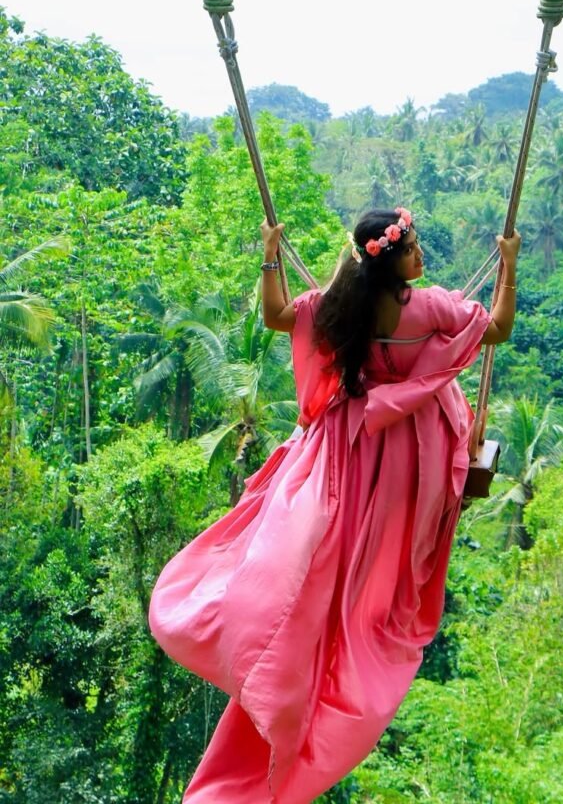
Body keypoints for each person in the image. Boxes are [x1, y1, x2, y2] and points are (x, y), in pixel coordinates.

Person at [149, 207, 521, 803]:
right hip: (409, 459)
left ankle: (288, 641)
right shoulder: (426, 309)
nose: (419, 257)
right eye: (412, 250)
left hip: (345, 448)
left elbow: (276, 314)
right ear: (389, 261)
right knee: (380, 570)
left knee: (313, 544)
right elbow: (496, 327)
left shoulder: (334, 305)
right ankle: (345, 643)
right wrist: (508, 266)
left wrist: (271, 254)